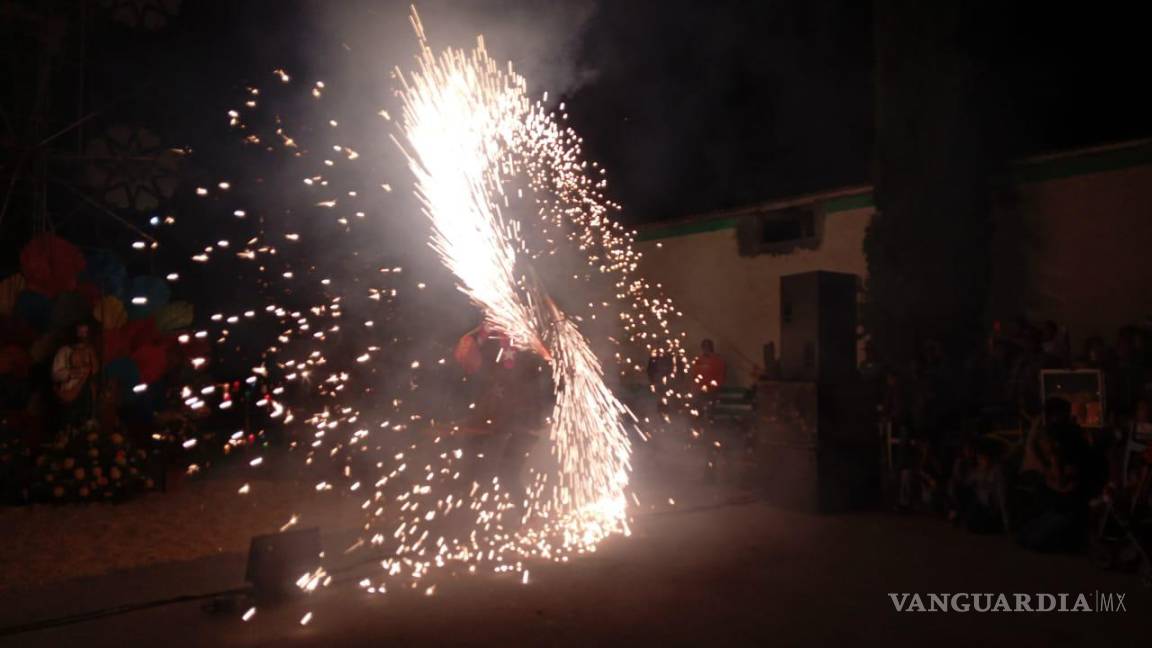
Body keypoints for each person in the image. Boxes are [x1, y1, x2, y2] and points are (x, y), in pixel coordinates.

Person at [51, 322, 99, 432]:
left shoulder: (90, 350)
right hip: (70, 393)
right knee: (69, 424)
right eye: (80, 332)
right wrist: (73, 373)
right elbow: (56, 375)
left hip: (87, 393)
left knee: (85, 424)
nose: (82, 335)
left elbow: (95, 370)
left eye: (85, 332)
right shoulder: (64, 351)